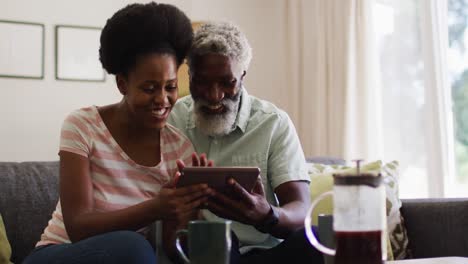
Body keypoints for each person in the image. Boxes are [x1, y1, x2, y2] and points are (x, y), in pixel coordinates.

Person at [23, 3, 213, 264]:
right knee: (133, 245)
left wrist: (185, 211)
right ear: (123, 84)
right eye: (149, 88)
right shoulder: (83, 125)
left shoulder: (179, 148)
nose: (162, 99)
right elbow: (78, 226)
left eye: (170, 87)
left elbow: (170, 249)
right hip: (59, 253)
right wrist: (155, 207)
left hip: (131, 257)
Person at [168, 22, 324, 264]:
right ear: (189, 76)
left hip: (268, 253)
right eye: (202, 82)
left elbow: (301, 208)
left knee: (318, 237)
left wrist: (266, 215)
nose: (214, 95)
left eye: (226, 82)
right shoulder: (173, 118)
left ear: (242, 76)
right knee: (211, 240)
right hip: (205, 253)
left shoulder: (273, 123)